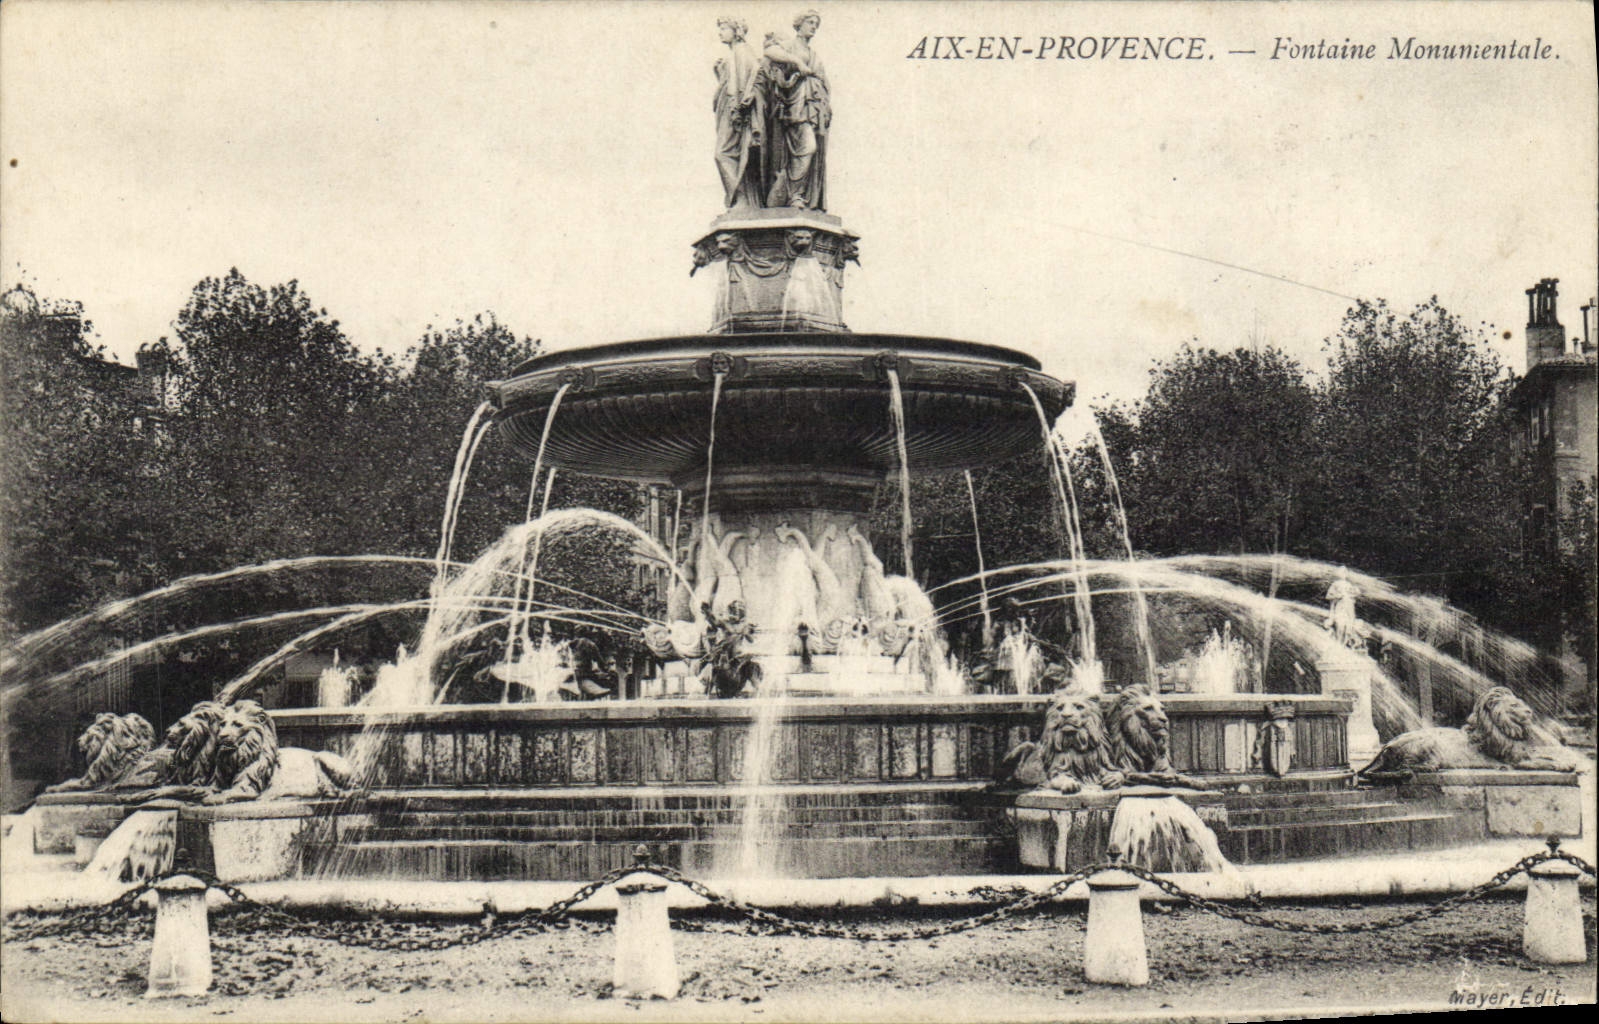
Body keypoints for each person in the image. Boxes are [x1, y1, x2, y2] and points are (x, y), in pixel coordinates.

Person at [760, 10, 829, 210]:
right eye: (810, 22)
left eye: (816, 23)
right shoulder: (790, 45)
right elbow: (769, 52)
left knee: (806, 150)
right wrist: (797, 62)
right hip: (794, 107)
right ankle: (794, 195)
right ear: (798, 25)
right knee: (807, 148)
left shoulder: (814, 54)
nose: (814, 26)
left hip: (812, 109)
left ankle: (797, 195)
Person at [713, 17, 764, 210]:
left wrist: (738, 107)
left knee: (723, 153)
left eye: (724, 28)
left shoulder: (741, 51)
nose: (720, 33)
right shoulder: (735, 53)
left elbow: (751, 75)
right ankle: (741, 199)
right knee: (731, 153)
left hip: (735, 112)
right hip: (729, 109)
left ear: (736, 31)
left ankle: (740, 199)